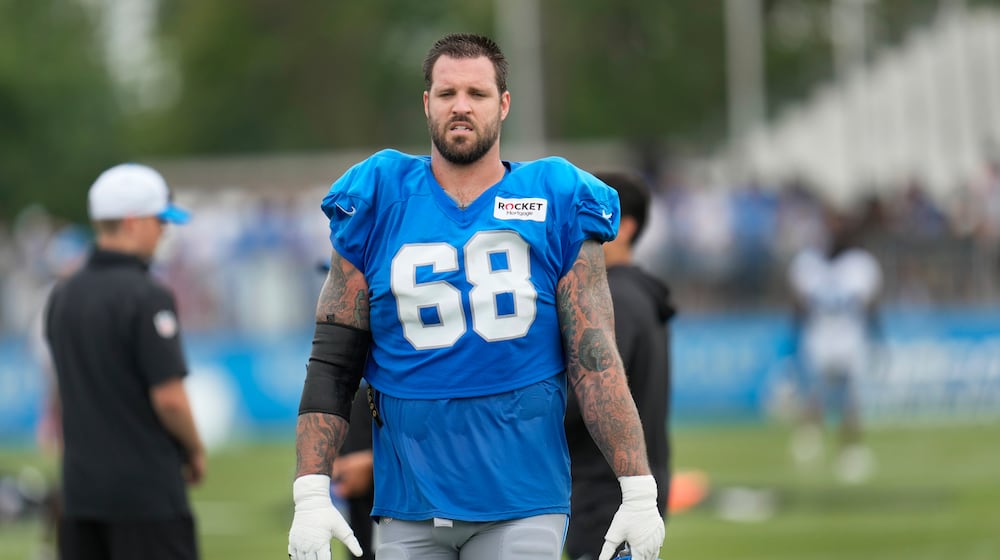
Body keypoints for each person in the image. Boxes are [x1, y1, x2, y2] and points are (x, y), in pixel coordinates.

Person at [287, 33, 665, 560]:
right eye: (446, 94)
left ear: (503, 104)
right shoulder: (378, 193)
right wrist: (309, 489)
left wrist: (639, 487)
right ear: (427, 103)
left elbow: (594, 358)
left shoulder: (554, 195)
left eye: (477, 93)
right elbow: (333, 359)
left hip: (523, 497)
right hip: (407, 500)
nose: (461, 106)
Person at [44, 163, 206, 560]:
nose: (165, 230)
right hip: (144, 497)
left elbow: (61, 390)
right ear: (134, 223)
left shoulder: (62, 296)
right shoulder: (147, 296)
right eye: (160, 220)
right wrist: (195, 448)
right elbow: (169, 398)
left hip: (80, 495)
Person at [564, 171, 674, 560]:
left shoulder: (618, 299)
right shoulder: (640, 294)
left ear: (623, 227)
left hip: (605, 489)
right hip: (624, 483)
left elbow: (593, 387)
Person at [787, 204, 882, 484]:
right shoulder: (808, 265)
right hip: (819, 336)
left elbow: (870, 306)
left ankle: (850, 451)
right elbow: (798, 306)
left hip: (848, 337)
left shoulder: (861, 265)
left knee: (851, 398)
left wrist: (877, 338)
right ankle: (810, 441)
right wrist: (792, 338)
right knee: (814, 392)